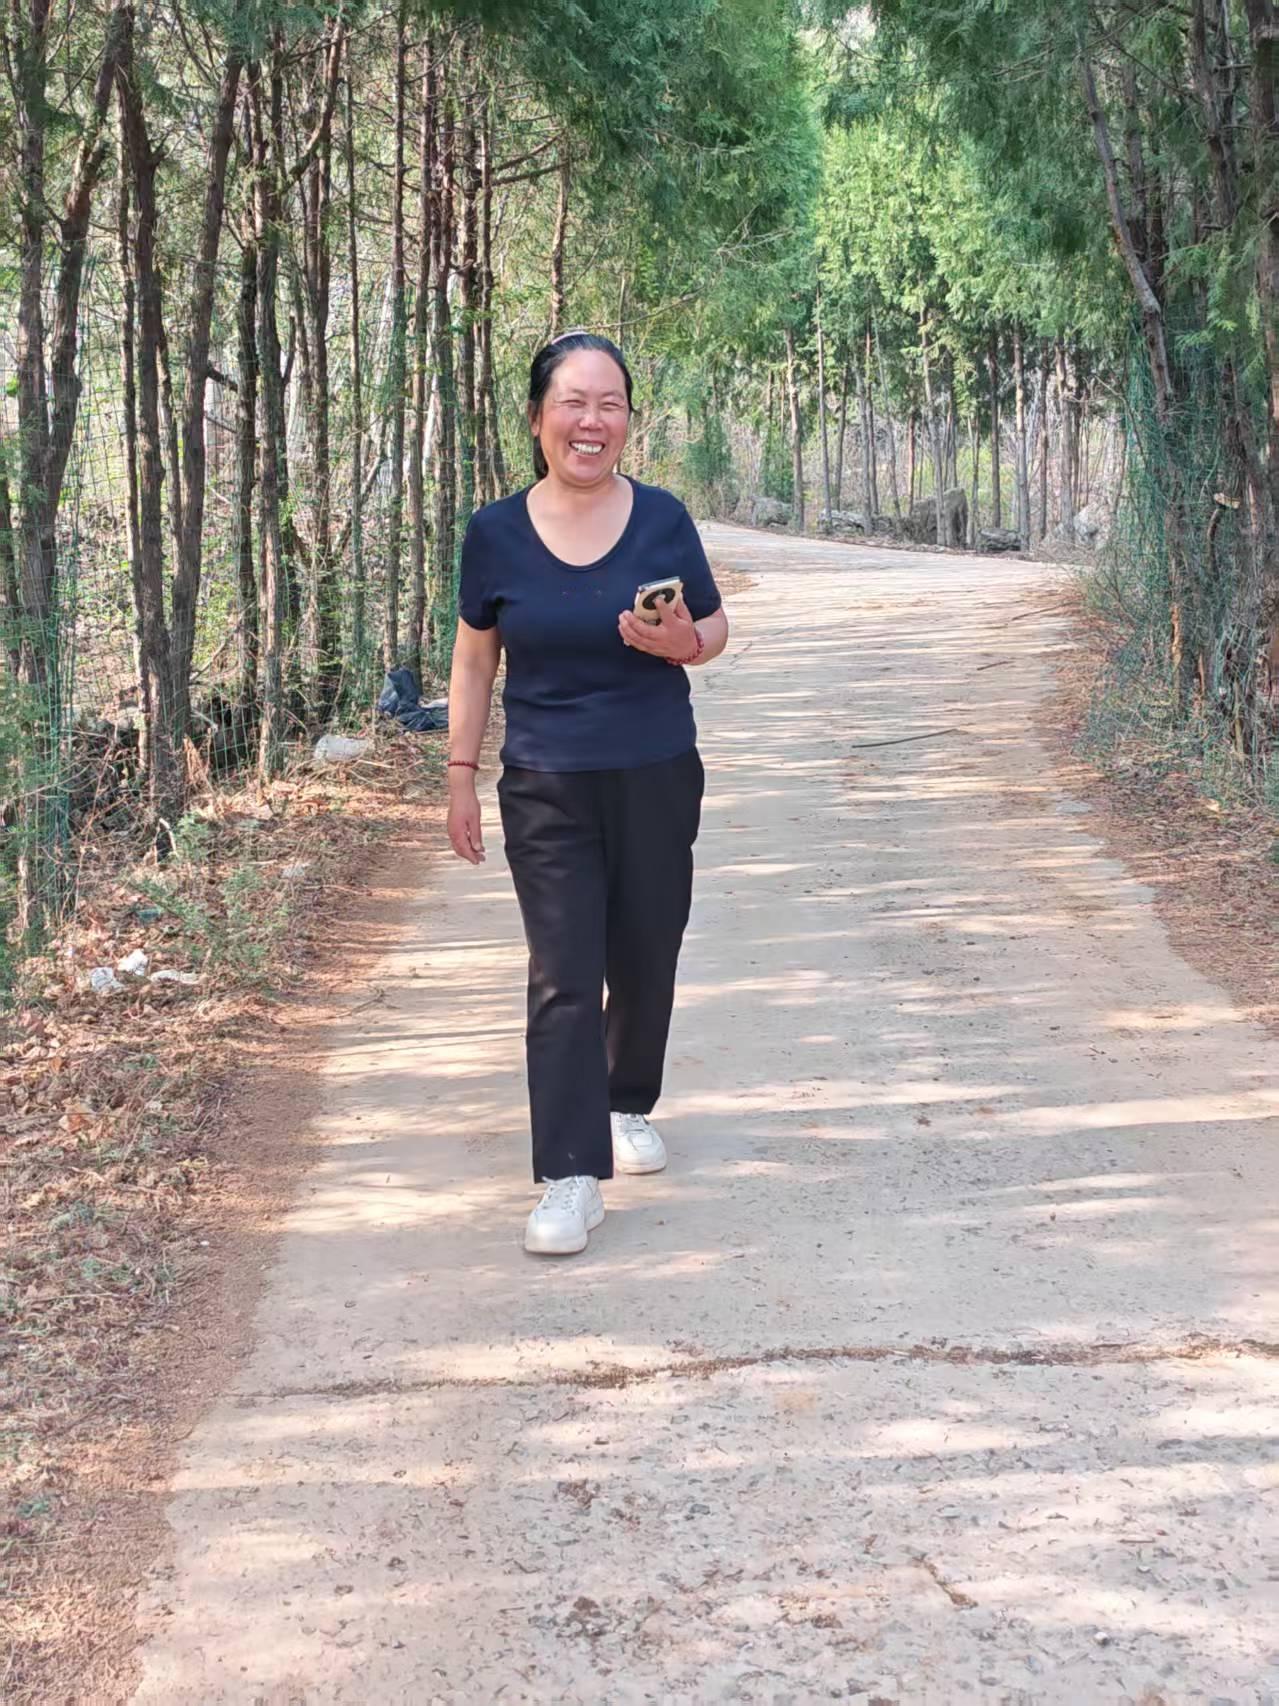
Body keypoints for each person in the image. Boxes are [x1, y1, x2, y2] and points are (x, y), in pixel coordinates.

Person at [446, 330, 729, 1255]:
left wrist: (676, 642)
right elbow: (474, 657)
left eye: (609, 404)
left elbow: (714, 631)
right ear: (537, 419)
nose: (591, 421)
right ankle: (569, 1173)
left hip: (654, 768)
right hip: (544, 780)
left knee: (645, 954)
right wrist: (459, 775)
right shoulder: (492, 534)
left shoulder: (662, 520)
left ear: (626, 422)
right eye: (573, 402)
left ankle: (624, 1103)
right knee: (564, 973)